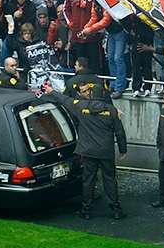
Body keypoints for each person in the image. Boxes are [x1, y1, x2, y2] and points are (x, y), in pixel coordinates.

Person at [45, 81, 127, 220]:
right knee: (110, 180)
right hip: (105, 152)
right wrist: (123, 150)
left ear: (91, 94)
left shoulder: (82, 107)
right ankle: (116, 209)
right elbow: (119, 132)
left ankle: (86, 209)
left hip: (88, 151)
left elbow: (66, 100)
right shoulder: (112, 110)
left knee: (88, 180)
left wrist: (51, 91)